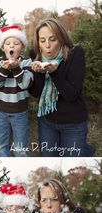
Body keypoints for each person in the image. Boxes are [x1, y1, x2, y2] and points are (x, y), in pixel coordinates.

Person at [29, 18, 95, 157]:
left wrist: (53, 72)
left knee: (72, 158)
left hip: (73, 122)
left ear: (61, 38)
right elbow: (35, 92)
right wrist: (40, 72)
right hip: (47, 121)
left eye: (52, 39)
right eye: (42, 40)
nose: (47, 45)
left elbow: (71, 94)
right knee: (48, 158)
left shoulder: (75, 54)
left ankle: (84, 150)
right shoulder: (36, 56)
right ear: (38, 42)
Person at [0, 22, 33, 157]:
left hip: (20, 112)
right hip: (1, 112)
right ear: (3, 47)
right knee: (1, 146)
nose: (12, 46)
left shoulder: (26, 62)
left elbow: (25, 84)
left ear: (22, 47)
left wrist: (15, 68)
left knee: (20, 148)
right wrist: (4, 69)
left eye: (16, 43)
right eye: (8, 43)